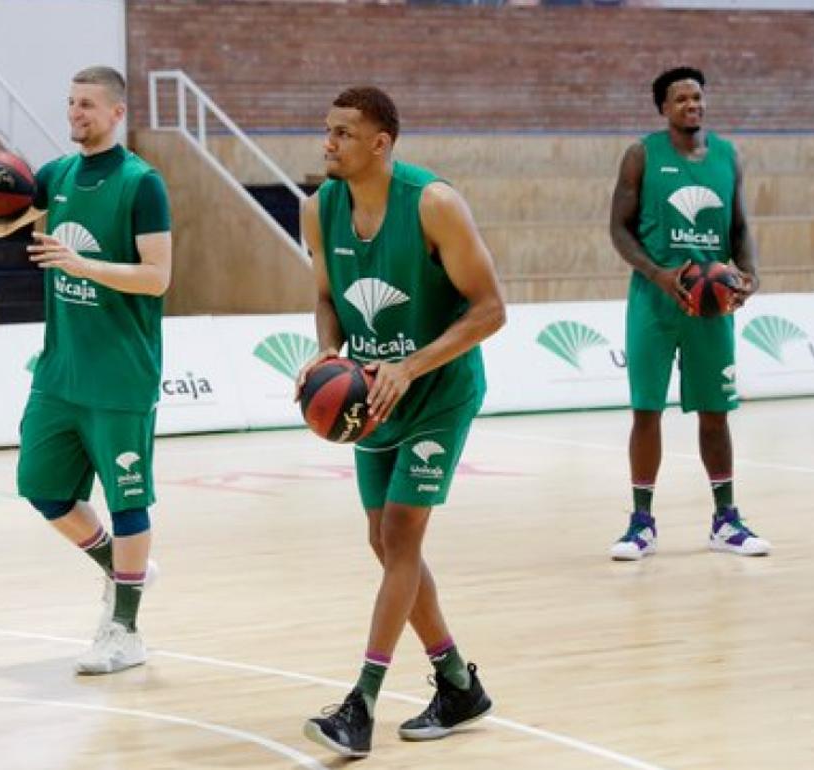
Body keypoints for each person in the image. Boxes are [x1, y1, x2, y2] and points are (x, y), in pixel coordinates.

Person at [294, 86, 505, 758]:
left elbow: (492, 309)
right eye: (327, 131)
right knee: (383, 546)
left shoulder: (434, 204)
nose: (328, 143)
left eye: (343, 134)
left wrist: (411, 367)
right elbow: (328, 298)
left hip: (437, 392)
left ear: (381, 144)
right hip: (370, 400)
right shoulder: (318, 208)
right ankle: (456, 681)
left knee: (401, 532)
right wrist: (327, 350)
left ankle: (361, 702)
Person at [0, 65, 172, 672]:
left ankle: (126, 631)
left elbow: (157, 277)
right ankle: (124, 568)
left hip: (120, 374)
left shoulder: (143, 184)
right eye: (70, 103)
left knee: (129, 501)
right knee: (43, 489)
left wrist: (80, 263)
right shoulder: (56, 175)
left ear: (117, 112)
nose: (75, 114)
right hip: (60, 371)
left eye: (87, 104)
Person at [607, 66, 767, 561]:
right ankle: (641, 522)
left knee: (715, 415)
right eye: (681, 99)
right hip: (656, 301)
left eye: (697, 97)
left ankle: (725, 519)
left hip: (712, 305)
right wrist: (656, 274)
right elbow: (617, 229)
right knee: (646, 411)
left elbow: (739, 225)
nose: (692, 105)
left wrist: (750, 274)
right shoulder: (641, 155)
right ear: (663, 108)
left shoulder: (727, 155)